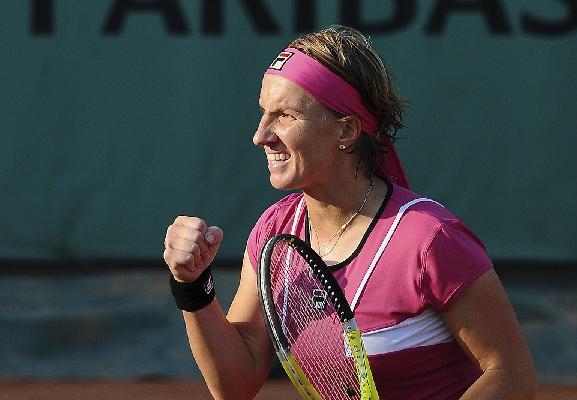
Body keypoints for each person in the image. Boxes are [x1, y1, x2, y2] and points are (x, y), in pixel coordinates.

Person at [163, 25, 537, 399]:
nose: (261, 135)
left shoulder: (429, 240)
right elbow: (236, 384)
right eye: (263, 113)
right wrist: (193, 287)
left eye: (285, 116)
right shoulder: (274, 230)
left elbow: (512, 377)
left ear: (346, 131)